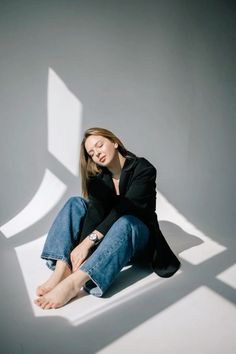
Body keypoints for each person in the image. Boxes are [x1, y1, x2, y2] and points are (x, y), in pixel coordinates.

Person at [34, 127, 180, 310]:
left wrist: (89, 242)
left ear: (114, 142)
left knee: (126, 221)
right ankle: (62, 269)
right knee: (75, 203)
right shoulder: (98, 177)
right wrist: (81, 252)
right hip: (109, 242)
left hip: (137, 238)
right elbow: (95, 214)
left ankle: (74, 283)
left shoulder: (143, 169)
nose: (97, 154)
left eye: (99, 145)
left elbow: (126, 207)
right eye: (92, 153)